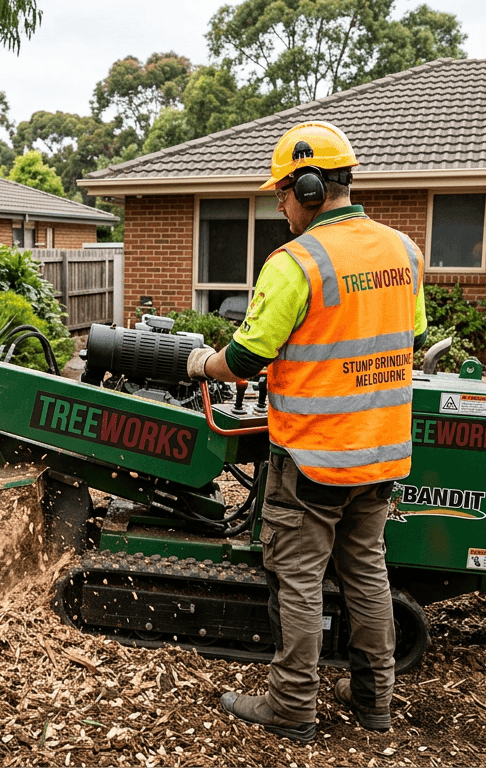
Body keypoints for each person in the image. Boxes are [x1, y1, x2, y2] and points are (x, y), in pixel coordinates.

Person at [185, 121, 427, 743]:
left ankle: (293, 705)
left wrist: (199, 363)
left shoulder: (297, 262)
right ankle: (375, 703)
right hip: (381, 455)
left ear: (310, 187)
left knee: (296, 579)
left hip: (314, 456)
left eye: (282, 194)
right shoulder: (404, 250)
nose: (281, 207)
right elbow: (408, 337)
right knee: (367, 574)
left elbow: (245, 358)